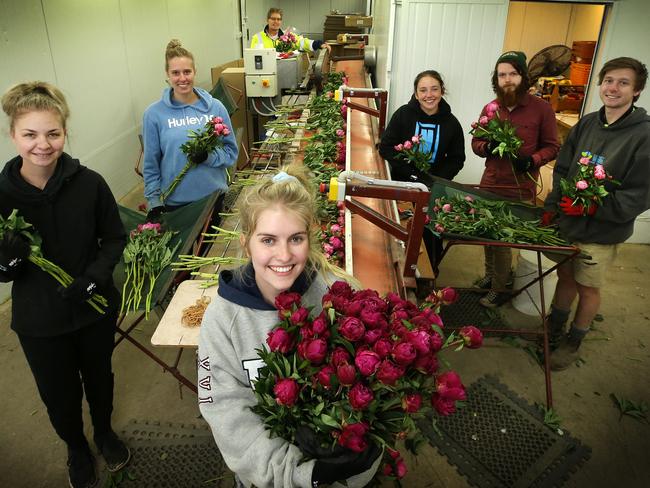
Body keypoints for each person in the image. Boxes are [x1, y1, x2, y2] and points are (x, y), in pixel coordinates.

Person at [197, 166, 381, 487]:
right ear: (246, 243)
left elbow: (372, 389)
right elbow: (227, 413)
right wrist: (302, 474)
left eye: (295, 238)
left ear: (310, 237)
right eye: (268, 240)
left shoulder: (336, 298)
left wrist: (349, 462)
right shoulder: (223, 320)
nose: (283, 255)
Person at [0, 82, 129, 488]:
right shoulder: (2, 196)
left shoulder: (89, 183)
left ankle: (104, 432)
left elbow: (113, 238)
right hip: (40, 320)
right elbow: (2, 271)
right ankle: (75, 446)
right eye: (30, 134)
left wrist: (94, 279)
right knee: (58, 393)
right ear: (12, 136)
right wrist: (6, 262)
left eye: (53, 133)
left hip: (93, 309)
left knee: (100, 377)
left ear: (65, 133)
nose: (43, 144)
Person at [543, 57, 650, 370]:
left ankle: (575, 339)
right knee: (565, 275)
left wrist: (594, 206)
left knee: (588, 286)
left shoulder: (643, 135)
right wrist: (552, 205)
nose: (613, 88)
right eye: (608, 80)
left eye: (623, 82)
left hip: (602, 232)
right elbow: (563, 168)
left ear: (637, 91)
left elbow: (640, 193)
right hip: (569, 222)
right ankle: (554, 328)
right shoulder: (588, 123)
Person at [471, 51, 559, 308]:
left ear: (523, 76)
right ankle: (491, 276)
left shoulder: (541, 109)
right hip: (491, 181)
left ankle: (500, 287)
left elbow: (553, 146)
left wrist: (532, 160)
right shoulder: (491, 108)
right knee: (487, 233)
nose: (507, 79)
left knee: (502, 238)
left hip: (519, 187)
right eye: (502, 75)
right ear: (496, 80)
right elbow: (476, 142)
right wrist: (487, 148)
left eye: (512, 73)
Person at [378, 70, 465, 277]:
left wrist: (436, 179)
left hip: (434, 187)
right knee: (402, 229)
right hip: (403, 185)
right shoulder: (403, 115)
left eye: (434, 89)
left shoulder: (451, 123)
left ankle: (429, 272)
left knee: (431, 232)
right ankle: (397, 271)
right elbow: (386, 148)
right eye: (423, 90)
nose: (429, 95)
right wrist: (412, 174)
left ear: (442, 91)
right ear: (416, 94)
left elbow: (456, 158)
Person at [142, 39, 238, 222]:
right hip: (176, 204)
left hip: (213, 198)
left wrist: (208, 157)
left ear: (195, 72)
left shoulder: (215, 108)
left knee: (212, 250)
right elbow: (151, 164)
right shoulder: (153, 115)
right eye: (175, 73)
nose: (182, 78)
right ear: (167, 75)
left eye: (187, 72)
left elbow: (231, 152)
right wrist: (154, 201)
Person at [250, 8, 329, 53]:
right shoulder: (257, 38)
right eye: (273, 19)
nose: (276, 22)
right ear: (267, 20)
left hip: (285, 72)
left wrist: (319, 44)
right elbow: (253, 57)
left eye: (279, 19)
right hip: (266, 75)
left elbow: (302, 42)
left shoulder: (288, 36)